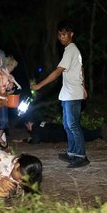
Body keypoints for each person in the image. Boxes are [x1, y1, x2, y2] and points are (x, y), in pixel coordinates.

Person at [31, 20, 89, 168]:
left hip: (72, 95)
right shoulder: (70, 50)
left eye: (64, 34)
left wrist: (39, 85)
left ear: (71, 34)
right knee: (67, 125)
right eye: (59, 35)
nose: (61, 37)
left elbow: (57, 72)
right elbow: (81, 68)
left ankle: (81, 156)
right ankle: (71, 153)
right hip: (68, 93)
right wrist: (84, 86)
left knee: (73, 125)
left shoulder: (71, 50)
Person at [22, 120, 107, 144]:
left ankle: (98, 133)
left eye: (27, 127)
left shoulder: (35, 129)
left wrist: (26, 140)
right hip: (61, 127)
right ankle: (97, 131)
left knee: (80, 137)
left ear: (29, 123)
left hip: (59, 135)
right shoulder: (40, 121)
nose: (28, 129)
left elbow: (35, 141)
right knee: (79, 131)